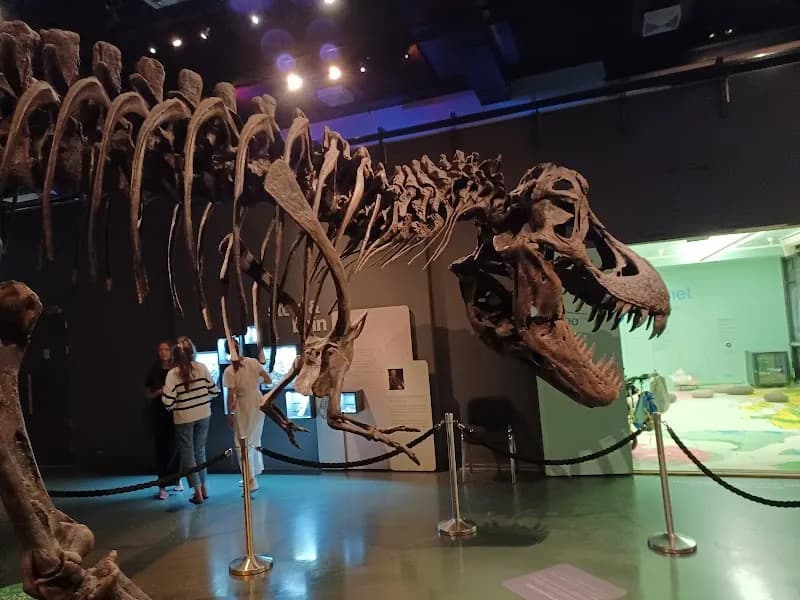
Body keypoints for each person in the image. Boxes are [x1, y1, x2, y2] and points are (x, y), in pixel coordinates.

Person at [162, 336, 219, 505]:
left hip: (183, 417)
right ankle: (204, 488)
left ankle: (197, 493)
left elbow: (167, 401)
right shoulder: (202, 368)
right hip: (204, 414)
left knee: (188, 453)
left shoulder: (172, 374)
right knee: (200, 451)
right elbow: (214, 391)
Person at [223, 340, 271, 493]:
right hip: (258, 402)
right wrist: (254, 382)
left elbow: (230, 396)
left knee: (241, 442)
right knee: (253, 439)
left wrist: (229, 413)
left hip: (244, 405)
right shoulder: (253, 362)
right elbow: (268, 379)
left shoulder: (230, 371)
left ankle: (251, 480)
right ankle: (251, 475)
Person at [145, 341, 182, 500]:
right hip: (159, 414)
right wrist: (159, 392)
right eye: (160, 349)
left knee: (177, 446)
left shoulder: (176, 370)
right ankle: (162, 485)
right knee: (161, 449)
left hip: (175, 413)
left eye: (166, 349)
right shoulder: (153, 371)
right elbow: (147, 394)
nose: (164, 352)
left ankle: (177, 479)